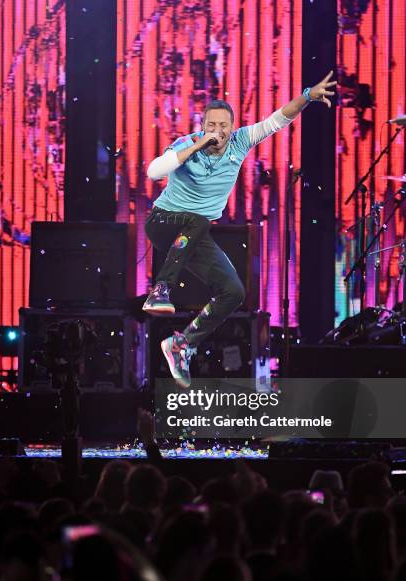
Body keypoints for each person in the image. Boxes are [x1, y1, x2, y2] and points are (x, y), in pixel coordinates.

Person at [144, 72, 336, 387]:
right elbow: (154, 171)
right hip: (163, 222)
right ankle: (160, 289)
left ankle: (182, 344)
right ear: (202, 126)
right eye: (211, 125)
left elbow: (277, 120)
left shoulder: (241, 141)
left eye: (223, 126)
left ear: (232, 128)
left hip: (194, 233)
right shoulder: (186, 144)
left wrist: (307, 96)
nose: (217, 131)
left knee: (233, 291)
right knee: (199, 219)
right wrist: (195, 147)